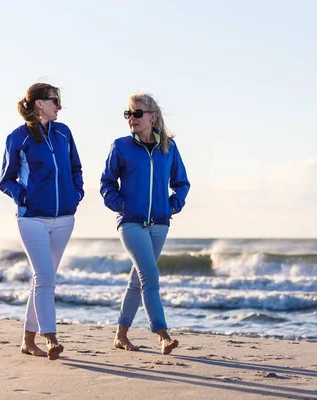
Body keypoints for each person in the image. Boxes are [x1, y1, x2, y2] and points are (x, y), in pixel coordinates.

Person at [0, 82, 84, 360]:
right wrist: (25, 198)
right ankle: (51, 337)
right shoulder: (18, 138)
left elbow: (75, 168)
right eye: (54, 100)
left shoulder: (64, 133)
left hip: (64, 218)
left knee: (42, 280)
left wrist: (76, 194)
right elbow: (6, 179)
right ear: (38, 104)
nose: (59, 106)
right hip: (32, 218)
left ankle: (27, 340)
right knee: (45, 278)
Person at [100, 93, 190, 355]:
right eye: (128, 114)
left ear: (152, 117)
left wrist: (173, 205)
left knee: (137, 281)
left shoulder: (169, 148)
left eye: (137, 113)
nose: (132, 119)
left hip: (160, 223)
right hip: (131, 223)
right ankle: (162, 334)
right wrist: (121, 205)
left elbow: (182, 183)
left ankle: (121, 335)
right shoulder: (121, 147)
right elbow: (106, 183)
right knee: (150, 276)